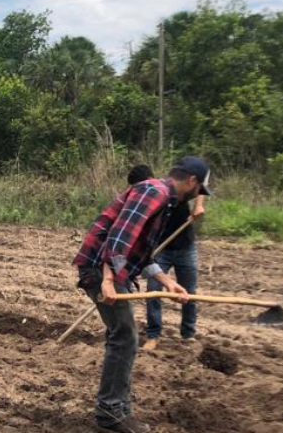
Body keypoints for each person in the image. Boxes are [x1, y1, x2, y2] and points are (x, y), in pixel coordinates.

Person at [71, 156, 210, 433]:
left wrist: (166, 281)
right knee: (124, 335)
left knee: (124, 334)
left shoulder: (164, 200)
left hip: (106, 267)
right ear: (192, 182)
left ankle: (116, 408)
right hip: (101, 268)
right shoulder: (154, 192)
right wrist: (108, 280)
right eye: (200, 190)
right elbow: (119, 237)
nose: (199, 196)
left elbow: (141, 251)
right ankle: (110, 411)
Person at [143, 160, 210, 351]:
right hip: (160, 249)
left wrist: (198, 205)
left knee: (188, 291)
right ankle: (153, 334)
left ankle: (188, 335)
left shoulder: (183, 191)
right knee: (153, 290)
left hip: (185, 247)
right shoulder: (160, 195)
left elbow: (204, 180)